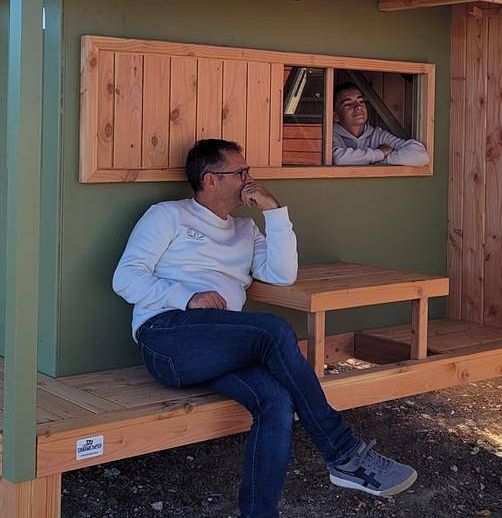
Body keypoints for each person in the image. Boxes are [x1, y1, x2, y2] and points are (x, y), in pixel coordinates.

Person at [112, 139, 417, 518]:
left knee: (276, 401)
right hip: (169, 337)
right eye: (239, 172)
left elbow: (282, 274)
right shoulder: (168, 216)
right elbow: (125, 278)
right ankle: (343, 454)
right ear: (210, 179)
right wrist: (186, 297)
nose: (248, 178)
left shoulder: (245, 230)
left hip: (224, 344)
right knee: (273, 330)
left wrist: (275, 212)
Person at [331, 82, 430, 166]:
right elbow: (338, 159)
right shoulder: (329, 135)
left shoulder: (377, 135)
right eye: (348, 104)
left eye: (361, 101)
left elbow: (420, 155)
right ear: (335, 116)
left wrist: (381, 162)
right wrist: (380, 153)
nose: (358, 107)